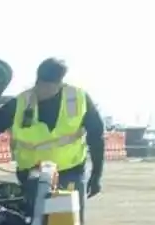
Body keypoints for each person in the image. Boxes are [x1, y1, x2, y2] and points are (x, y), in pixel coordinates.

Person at [8, 58, 106, 216]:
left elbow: (96, 137)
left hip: (70, 173)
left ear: (59, 84)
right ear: (36, 80)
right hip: (31, 176)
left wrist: (96, 175)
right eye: (41, 85)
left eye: (49, 87)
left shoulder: (79, 99)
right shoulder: (20, 102)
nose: (44, 91)